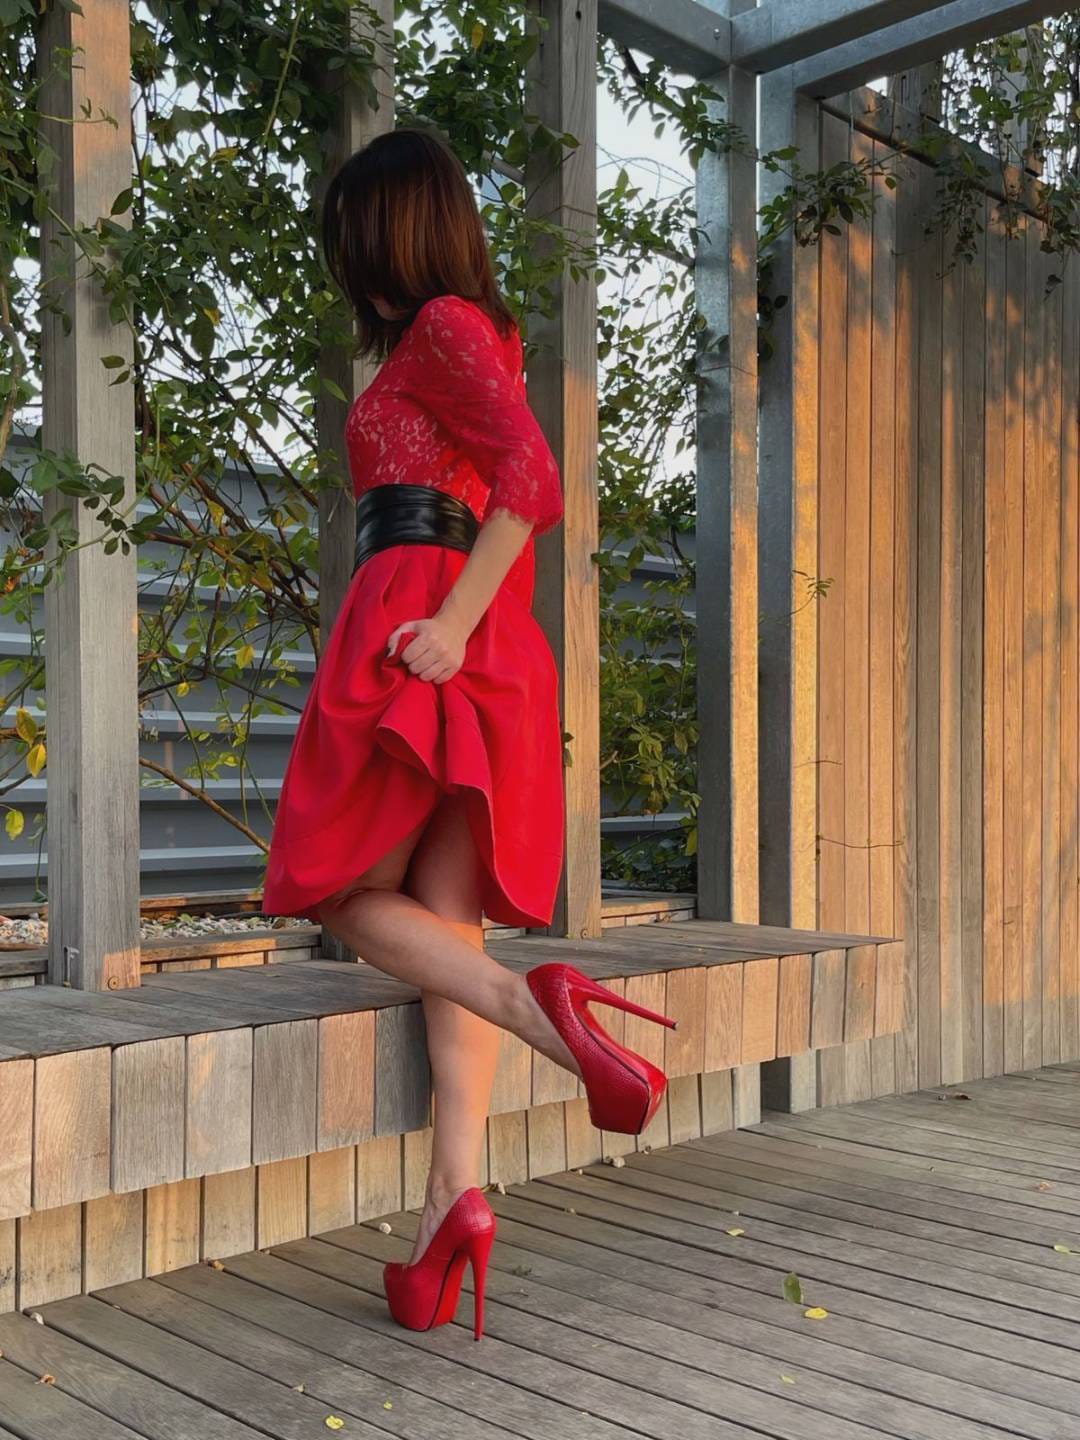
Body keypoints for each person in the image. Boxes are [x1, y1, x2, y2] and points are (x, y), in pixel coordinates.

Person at [261, 125, 675, 1341]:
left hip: (423, 618)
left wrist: (447, 625)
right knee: (445, 906)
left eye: (354, 237)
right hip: (462, 625)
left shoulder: (443, 326)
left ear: (395, 229)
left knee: (335, 888)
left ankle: (540, 1010)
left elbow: (533, 483)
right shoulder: (468, 333)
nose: (348, 263)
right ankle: (453, 1202)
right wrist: (469, 628)